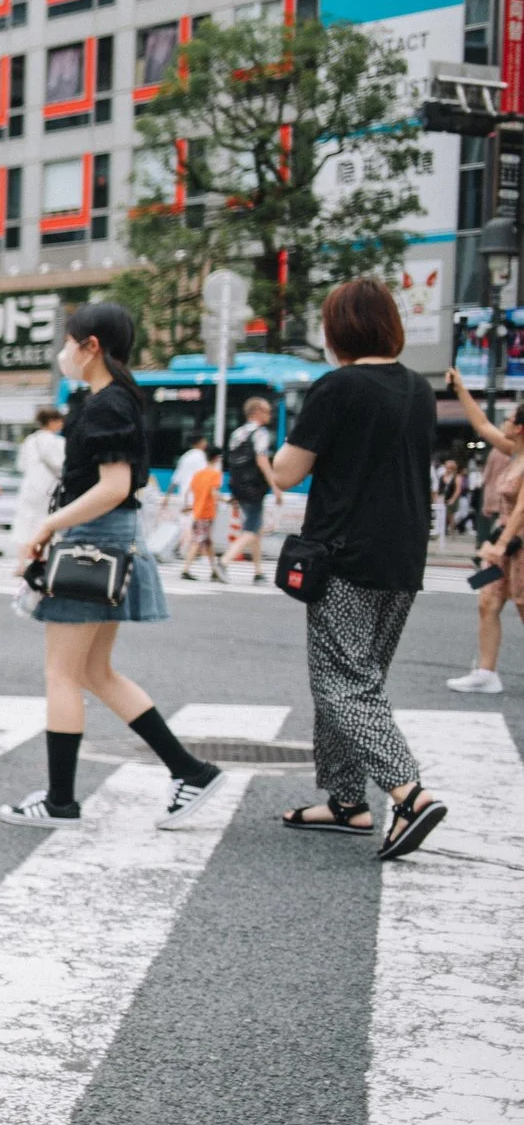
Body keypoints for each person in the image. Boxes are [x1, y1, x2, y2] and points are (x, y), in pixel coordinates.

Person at [2, 302, 226, 829]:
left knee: (62, 673)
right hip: (108, 542)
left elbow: (114, 487)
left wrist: (46, 528)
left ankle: (60, 801)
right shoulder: (115, 400)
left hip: (92, 544)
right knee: (94, 672)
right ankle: (188, 770)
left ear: (91, 346)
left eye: (68, 341)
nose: (63, 351)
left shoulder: (108, 405)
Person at [266, 280, 446, 859]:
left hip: (346, 555)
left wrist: (267, 457)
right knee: (359, 679)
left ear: (339, 331)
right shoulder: (418, 388)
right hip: (404, 555)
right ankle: (347, 803)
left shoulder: (338, 386)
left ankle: (408, 792)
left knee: (341, 683)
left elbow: (288, 472)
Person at [445, 375, 523, 693]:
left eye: (508, 418)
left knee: (521, 605)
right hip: (503, 540)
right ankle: (486, 674)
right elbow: (482, 426)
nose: (502, 422)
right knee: (486, 599)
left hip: (515, 542)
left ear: (519, 426)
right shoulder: (514, 451)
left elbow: (522, 509)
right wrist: (461, 389)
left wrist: (501, 544)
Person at [219, 395, 280, 583]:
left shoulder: (237, 433)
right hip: (254, 487)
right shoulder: (260, 433)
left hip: (238, 486)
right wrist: (275, 486)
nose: (270, 415)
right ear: (257, 412)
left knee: (256, 529)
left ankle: (258, 571)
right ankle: (224, 561)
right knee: (251, 529)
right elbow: (262, 460)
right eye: (268, 411)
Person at [12, 406, 68, 555]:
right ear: (51, 422)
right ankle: (40, 556)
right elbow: (61, 465)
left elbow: (21, 465)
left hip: (29, 485)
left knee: (24, 522)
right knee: (44, 520)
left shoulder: (30, 440)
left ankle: (22, 561)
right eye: (59, 421)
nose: (61, 424)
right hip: (48, 487)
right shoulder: (57, 442)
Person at [179, 445, 225, 581]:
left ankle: (214, 570)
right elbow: (213, 492)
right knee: (197, 541)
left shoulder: (198, 474)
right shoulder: (215, 474)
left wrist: (188, 506)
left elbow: (189, 491)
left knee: (207, 542)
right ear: (217, 458)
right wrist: (225, 500)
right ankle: (185, 569)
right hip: (207, 513)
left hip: (197, 511)